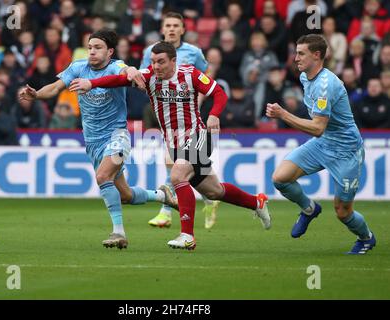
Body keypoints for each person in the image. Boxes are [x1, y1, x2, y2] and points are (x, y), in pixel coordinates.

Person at [69, 41, 272, 250]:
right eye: (153, 62)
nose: (156, 66)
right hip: (175, 144)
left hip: (200, 135)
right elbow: (118, 79)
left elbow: (219, 93)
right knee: (214, 192)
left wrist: (213, 115)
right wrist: (92, 84)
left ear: (174, 60)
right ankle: (257, 202)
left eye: (161, 62)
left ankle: (187, 236)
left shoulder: (190, 74)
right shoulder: (149, 77)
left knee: (177, 176)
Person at [19, 29, 178, 250]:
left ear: (110, 51)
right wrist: (36, 94)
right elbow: (55, 88)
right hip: (92, 141)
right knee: (125, 195)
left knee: (103, 176)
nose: (92, 52)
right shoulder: (77, 67)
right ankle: (163, 195)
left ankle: (118, 233)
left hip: (116, 135)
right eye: (90, 47)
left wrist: (132, 71)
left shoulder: (115, 66)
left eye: (98, 48)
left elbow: (127, 69)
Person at [266, 34, 376, 254]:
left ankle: (366, 238)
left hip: (346, 151)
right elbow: (320, 131)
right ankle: (309, 209)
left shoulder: (326, 85)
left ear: (317, 55)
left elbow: (317, 127)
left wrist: (284, 114)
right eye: (296, 52)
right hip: (322, 143)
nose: (295, 58)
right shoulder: (307, 77)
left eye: (301, 53)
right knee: (280, 178)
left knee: (342, 212)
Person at [140, 11, 221, 230]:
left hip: (190, 116)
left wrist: (202, 102)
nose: (172, 29)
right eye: (168, 25)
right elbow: (142, 77)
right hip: (166, 114)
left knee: (175, 167)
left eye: (176, 25)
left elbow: (206, 77)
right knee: (189, 171)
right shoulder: (151, 51)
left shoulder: (193, 52)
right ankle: (209, 198)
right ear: (163, 29)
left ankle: (167, 212)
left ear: (183, 29)